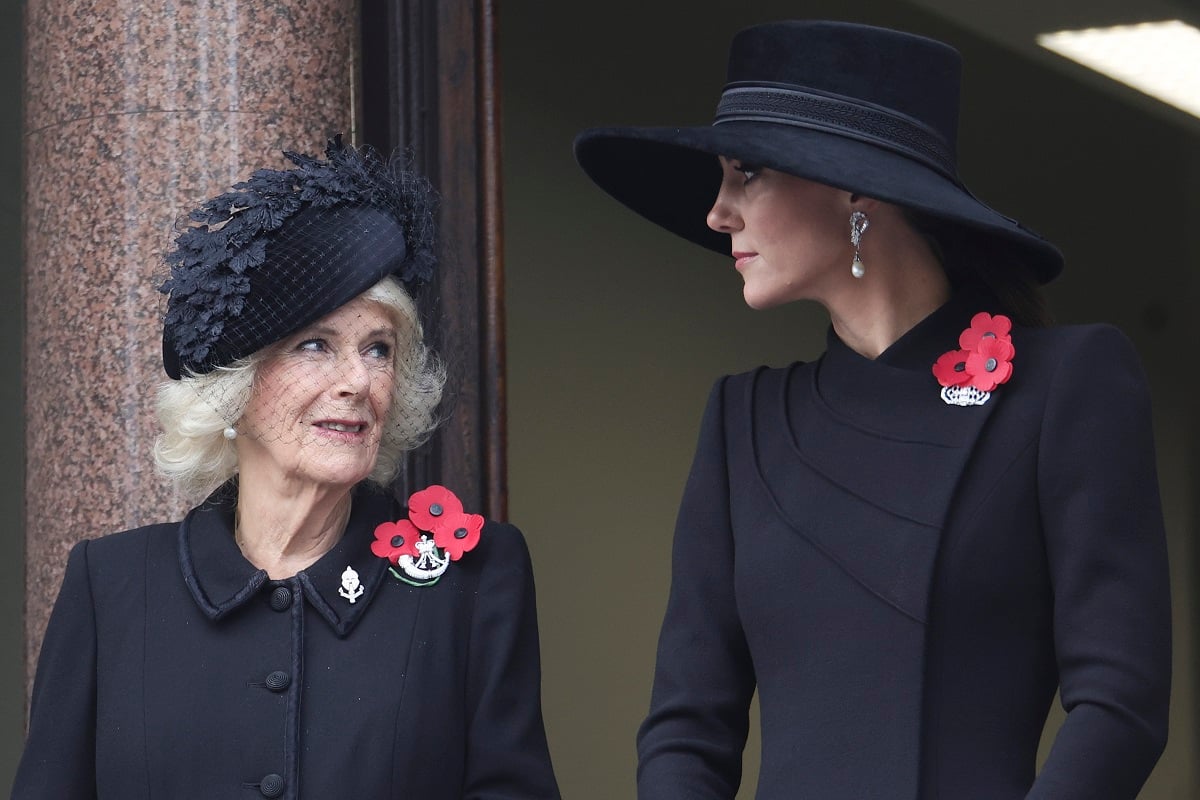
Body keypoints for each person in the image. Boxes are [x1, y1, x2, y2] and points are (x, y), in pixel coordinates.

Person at [574, 20, 1170, 800]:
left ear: (855, 186)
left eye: (746, 173)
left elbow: (1120, 703)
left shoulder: (1064, 387)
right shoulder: (743, 421)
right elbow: (688, 729)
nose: (718, 212)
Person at [12, 137, 561, 799]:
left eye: (379, 348)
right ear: (233, 387)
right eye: (315, 345)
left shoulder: (472, 582)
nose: (357, 380)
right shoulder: (112, 588)